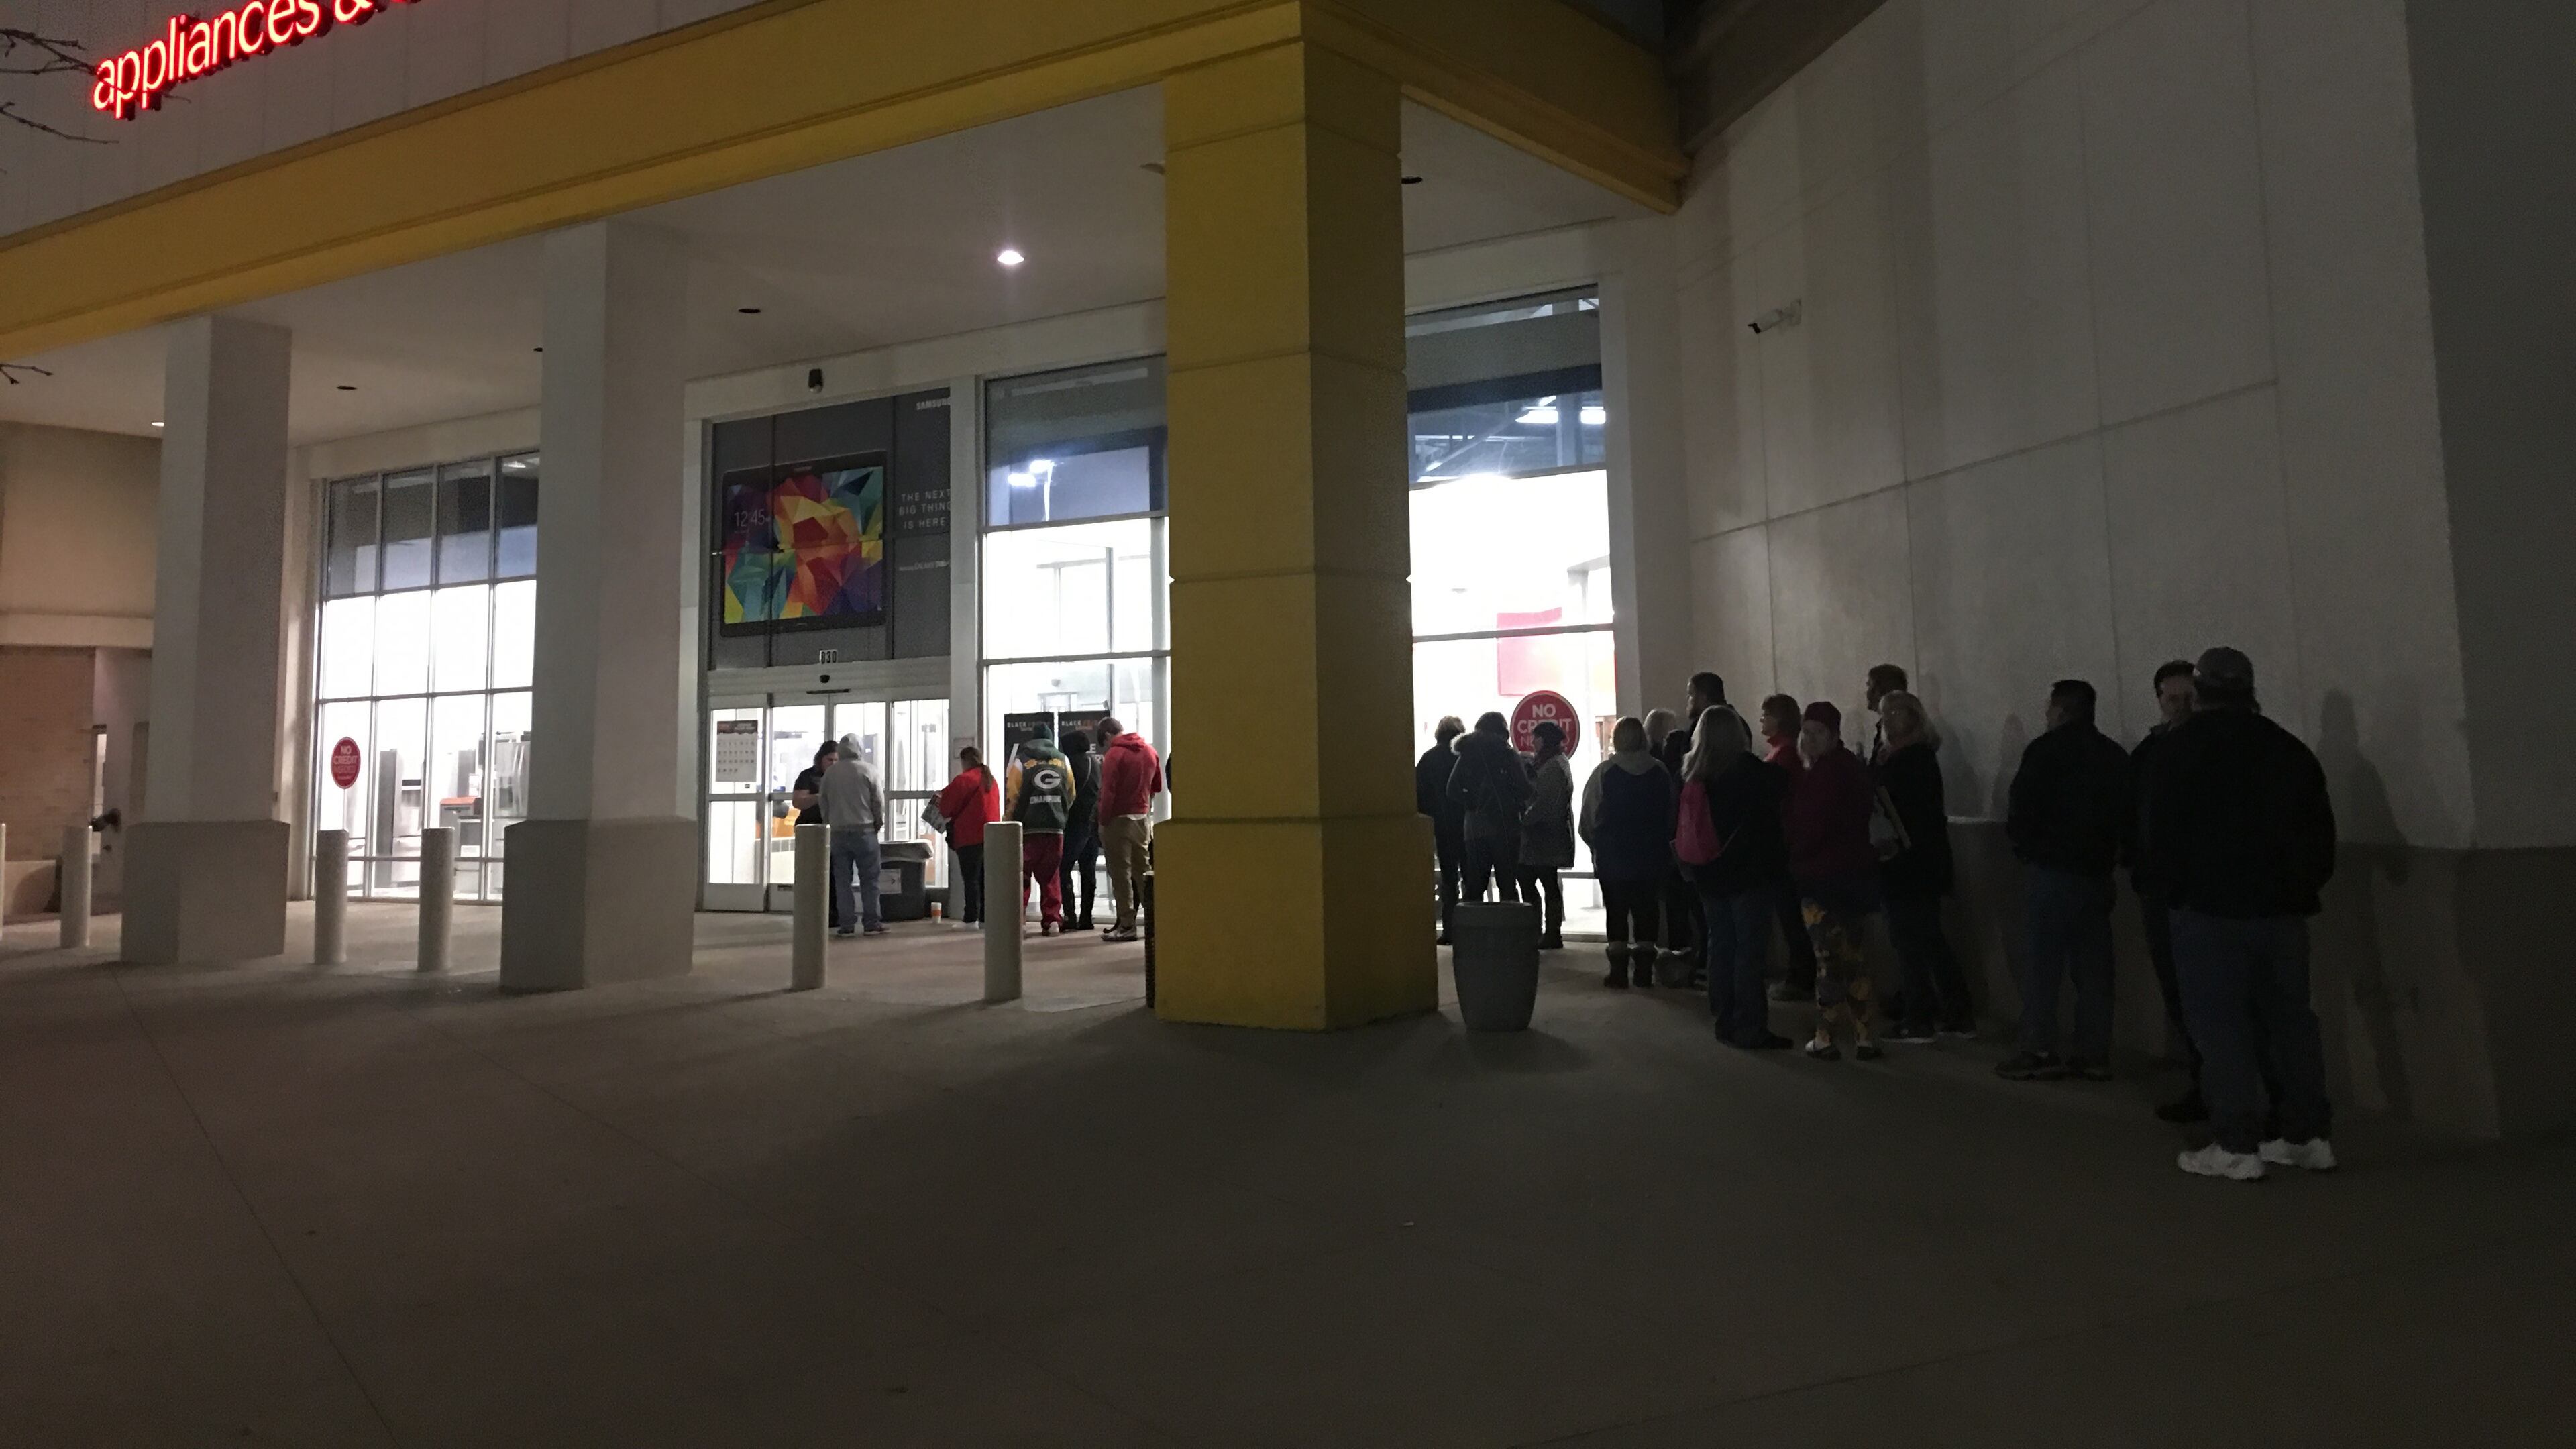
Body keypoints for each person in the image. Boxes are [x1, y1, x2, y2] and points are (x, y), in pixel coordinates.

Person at [2146, 648, 2339, 1182]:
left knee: (2221, 1027)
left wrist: (2177, 889)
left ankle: (2237, 1142)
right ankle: (2306, 1135)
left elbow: (2158, 836)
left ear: (2203, 690)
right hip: (2281, 913)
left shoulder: (2178, 751)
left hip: (2208, 911)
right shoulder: (2289, 751)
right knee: (2291, 1022)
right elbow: (2321, 838)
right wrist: (2296, 889)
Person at [2129, 659, 2256, 1123]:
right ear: (2159, 701)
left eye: (2188, 698)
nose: (2179, 706)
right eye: (2171, 699)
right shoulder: (2150, 753)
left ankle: (2227, 1097)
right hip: (2161, 890)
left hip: (2202, 895)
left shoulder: (2212, 752)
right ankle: (2208, 1083)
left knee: (2216, 1000)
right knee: (2181, 994)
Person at [1998, 680, 2135, 1082]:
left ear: (2059, 711)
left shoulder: (2044, 752)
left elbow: (2021, 810)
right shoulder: (2113, 755)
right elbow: (2127, 816)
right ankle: (2093, 1053)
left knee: (2042, 965)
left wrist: (2027, 850)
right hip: (2095, 873)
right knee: (2093, 968)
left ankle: (2039, 1047)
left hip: (2052, 871)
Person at [1684, 706, 1794, 1049]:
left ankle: (1724, 1019)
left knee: (1721, 945)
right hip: (1748, 874)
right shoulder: (1748, 771)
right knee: (1749, 951)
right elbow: (1781, 788)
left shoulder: (1693, 772)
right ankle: (1750, 1026)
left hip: (1708, 872)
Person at [1872, 692, 1974, 1042]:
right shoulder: (1900, 758)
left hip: (1911, 862)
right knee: (1925, 938)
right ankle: (1953, 1010)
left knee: (1912, 940)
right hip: (1913, 861)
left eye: (1897, 712)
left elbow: (1903, 808)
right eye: (1884, 714)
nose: (1889, 720)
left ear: (1915, 717)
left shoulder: (1914, 759)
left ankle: (1920, 1016)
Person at [1784, 702, 1883, 1059]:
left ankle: (1825, 1036)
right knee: (1854, 958)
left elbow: (1811, 828)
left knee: (1828, 959)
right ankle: (1865, 1035)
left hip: (1821, 879)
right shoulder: (1852, 770)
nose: (1809, 739)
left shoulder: (1822, 776)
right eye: (1805, 732)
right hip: (1855, 878)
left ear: (1834, 736)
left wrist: (1795, 853)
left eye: (1817, 733)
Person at [1579, 716, 1676, 989]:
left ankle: (1619, 972)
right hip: (1652, 855)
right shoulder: (1660, 771)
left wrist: (1596, 845)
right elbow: (1672, 815)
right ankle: (1644, 970)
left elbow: (1588, 817)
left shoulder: (1604, 772)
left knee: (1617, 911)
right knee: (1647, 911)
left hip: (1613, 856)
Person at [1757, 694, 1822, 1002]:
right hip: (1784, 843)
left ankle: (1801, 976)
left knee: (1792, 916)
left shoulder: (1784, 755)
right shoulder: (1781, 752)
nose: (1761, 720)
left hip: (1784, 845)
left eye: (1766, 714)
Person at [1446, 712, 1529, 906]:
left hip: (1474, 829)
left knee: (1475, 886)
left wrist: (1473, 803)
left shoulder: (1468, 754)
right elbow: (1525, 790)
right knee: (1508, 885)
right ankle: (1509, 933)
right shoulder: (1507, 755)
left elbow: (1451, 788)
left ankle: (1472, 932)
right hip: (1505, 827)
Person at [1095, 717, 1162, 942]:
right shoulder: (1150, 751)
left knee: (1121, 875)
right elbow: (1157, 787)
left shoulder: (1114, 755)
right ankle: (1156, 923)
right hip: (1142, 820)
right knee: (1144, 873)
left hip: (1117, 821)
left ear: (1106, 735)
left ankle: (1127, 924)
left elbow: (1108, 793)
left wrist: (1103, 821)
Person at [1006, 731, 1076, 936]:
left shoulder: (1022, 761)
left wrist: (1009, 821)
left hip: (1027, 829)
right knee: (1051, 876)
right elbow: (1071, 793)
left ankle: (1019, 922)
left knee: (1022, 876)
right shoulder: (1063, 761)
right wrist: (1060, 814)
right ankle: (1053, 921)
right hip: (1055, 829)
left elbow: (1013, 795)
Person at [820, 733, 888, 938]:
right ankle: (872, 923)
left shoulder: (830, 774)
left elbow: (824, 802)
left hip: (839, 834)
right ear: (859, 749)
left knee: (842, 881)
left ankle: (847, 925)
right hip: (865, 832)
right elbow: (878, 801)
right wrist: (878, 822)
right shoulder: (869, 770)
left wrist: (828, 823)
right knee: (870, 880)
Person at [1518, 720, 1576, 951]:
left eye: (1536, 737)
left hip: (1542, 837)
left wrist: (1524, 820)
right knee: (1547, 884)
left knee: (1538, 883)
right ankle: (1548, 931)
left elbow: (1543, 804)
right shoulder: (1557, 762)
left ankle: (1545, 932)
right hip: (1548, 836)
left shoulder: (1552, 767)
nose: (1532, 741)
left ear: (1544, 739)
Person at [932, 747, 1002, 928]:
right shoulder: (991, 780)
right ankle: (987, 919)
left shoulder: (964, 780)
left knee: (971, 880)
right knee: (986, 880)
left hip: (969, 837)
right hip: (992, 836)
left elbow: (946, 808)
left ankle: (971, 919)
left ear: (965, 761)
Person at [1418, 716, 1469, 945]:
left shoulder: (1428, 759)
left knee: (1449, 879)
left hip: (1442, 827)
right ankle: (1471, 928)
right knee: (1471, 878)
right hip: (1467, 826)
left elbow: (1418, 795)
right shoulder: (1465, 757)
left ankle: (1449, 931)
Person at [792, 740, 841, 930]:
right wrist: (820, 797)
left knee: (834, 874)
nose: (833, 764)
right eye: (830, 760)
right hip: (810, 829)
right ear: (821, 759)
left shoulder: (840, 777)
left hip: (833, 829)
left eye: (837, 760)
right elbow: (798, 802)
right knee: (811, 874)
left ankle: (833, 915)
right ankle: (810, 914)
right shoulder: (808, 776)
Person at [1058, 727, 1103, 932]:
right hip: (1092, 825)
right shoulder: (1096, 763)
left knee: (1063, 868)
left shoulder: (1069, 765)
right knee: (1088, 871)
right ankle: (1087, 917)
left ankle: (1070, 915)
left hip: (1074, 825)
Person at [1864, 663, 1909, 767]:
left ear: (1880, 690)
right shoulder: (1887, 727)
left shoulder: (1898, 732)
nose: (1866, 693)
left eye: (1869, 685)